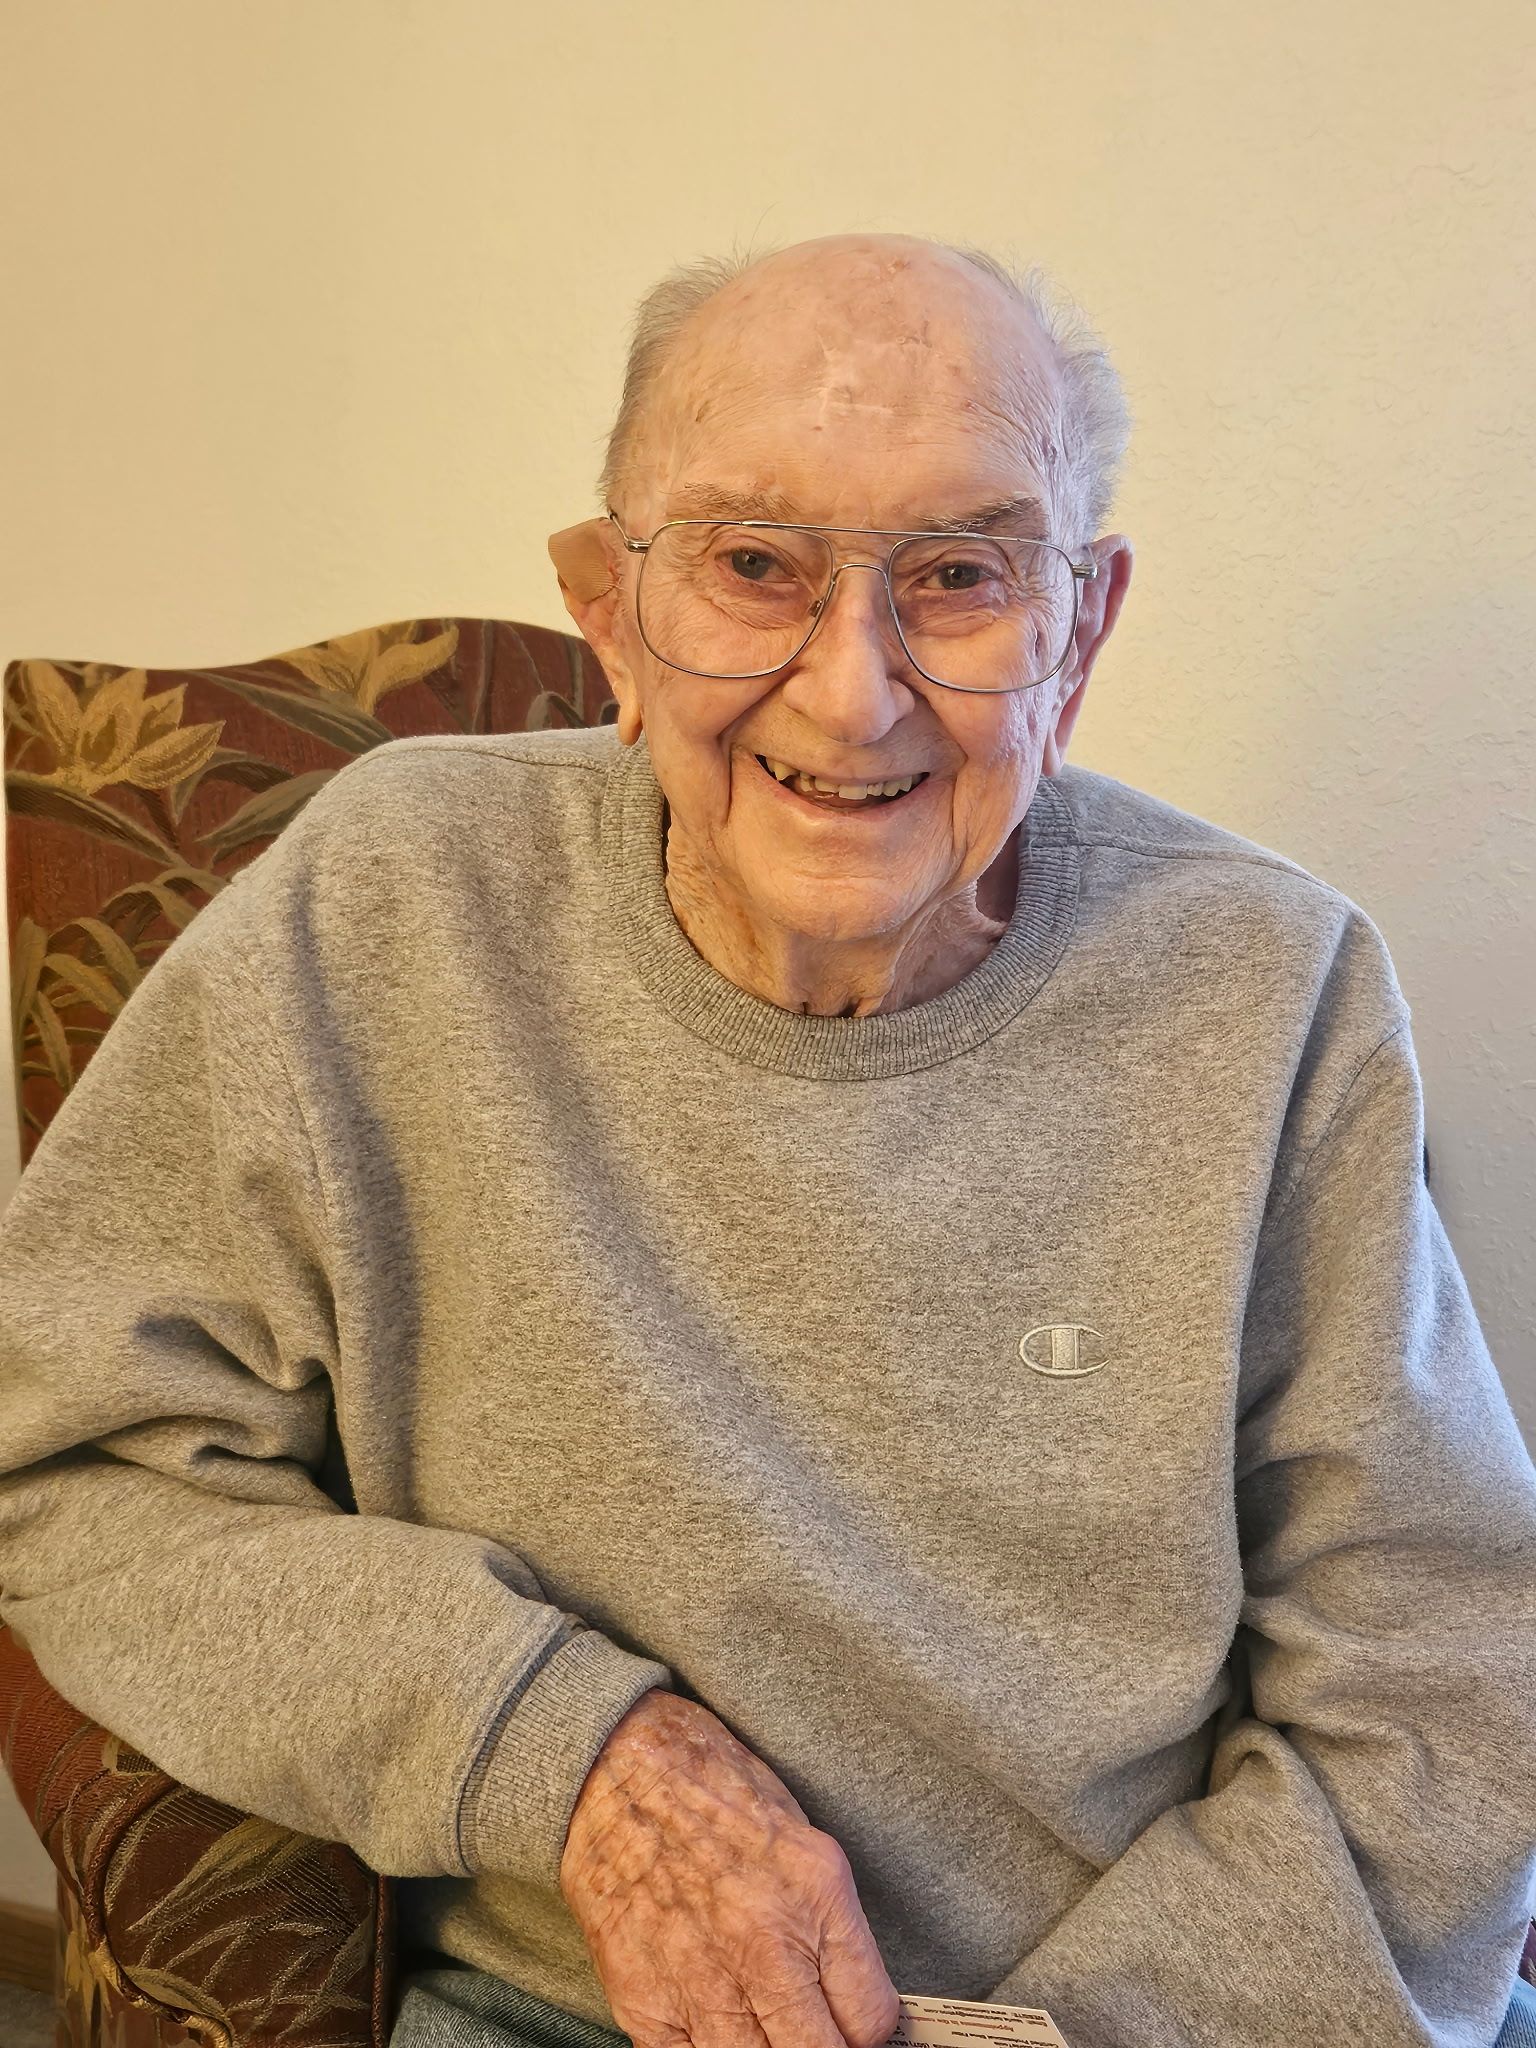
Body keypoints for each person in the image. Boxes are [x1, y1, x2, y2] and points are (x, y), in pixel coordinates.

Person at [0, 234, 1533, 2048]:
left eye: (960, 575)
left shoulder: (1271, 985)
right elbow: (81, 1462)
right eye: (751, 565)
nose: (849, 694)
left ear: (1080, 631)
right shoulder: (392, 900)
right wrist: (570, 1751)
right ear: (607, 609)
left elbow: (1443, 1667)